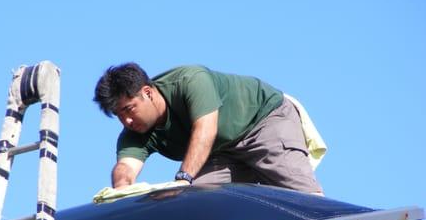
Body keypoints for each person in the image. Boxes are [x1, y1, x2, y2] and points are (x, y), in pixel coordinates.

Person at [93, 63, 323, 195]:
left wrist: (183, 178)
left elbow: (206, 129)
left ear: (148, 92)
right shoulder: (135, 132)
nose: (127, 121)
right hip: (220, 151)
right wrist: (121, 191)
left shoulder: (190, 80)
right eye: (119, 115)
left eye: (129, 109)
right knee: (200, 203)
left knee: (303, 199)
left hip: (262, 122)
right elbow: (126, 167)